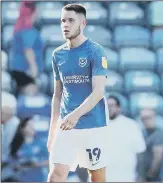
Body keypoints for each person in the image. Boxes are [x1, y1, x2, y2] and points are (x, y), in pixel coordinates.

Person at [47, 4, 109, 182]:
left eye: (70, 20)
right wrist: (52, 131)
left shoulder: (96, 51)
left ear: (83, 23)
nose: (65, 25)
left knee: (97, 178)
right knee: (55, 176)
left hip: (93, 125)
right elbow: (57, 95)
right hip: (66, 127)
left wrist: (75, 115)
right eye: (63, 21)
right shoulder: (57, 54)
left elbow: (98, 92)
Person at [105, 95, 146, 182]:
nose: (109, 108)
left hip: (125, 176)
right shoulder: (96, 125)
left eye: (112, 105)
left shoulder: (131, 125)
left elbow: (140, 152)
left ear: (119, 108)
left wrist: (141, 175)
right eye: (106, 105)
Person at [9, 1, 43, 96]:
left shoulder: (19, 28)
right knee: (30, 98)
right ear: (33, 12)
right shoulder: (28, 30)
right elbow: (28, 50)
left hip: (19, 71)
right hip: (26, 72)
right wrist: (34, 70)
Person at [138, 108, 163, 181]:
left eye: (148, 118)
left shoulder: (159, 134)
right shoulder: (143, 133)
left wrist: (150, 175)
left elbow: (158, 158)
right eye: (143, 119)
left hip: (155, 177)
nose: (145, 121)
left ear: (154, 117)